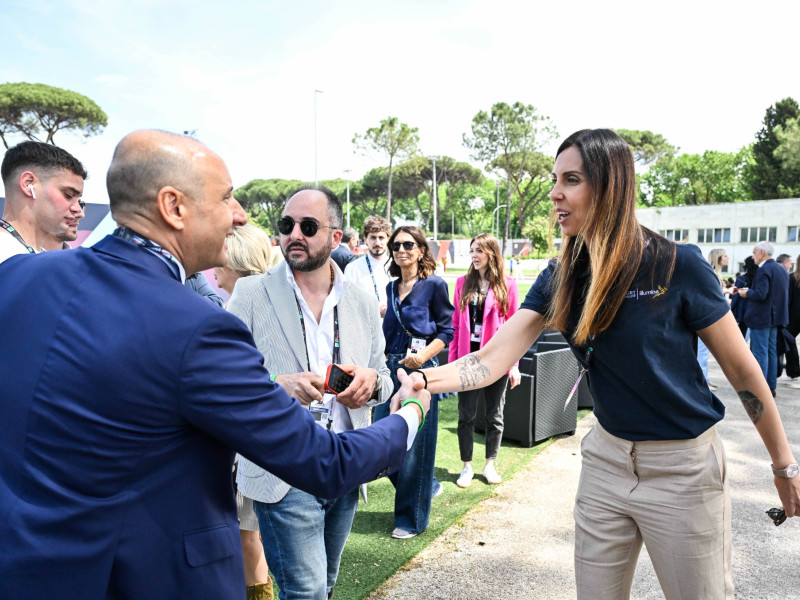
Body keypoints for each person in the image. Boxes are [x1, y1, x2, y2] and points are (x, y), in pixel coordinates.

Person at [0, 130, 430, 600]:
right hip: (144, 579)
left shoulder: (18, 277)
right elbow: (324, 462)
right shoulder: (198, 326)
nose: (240, 215)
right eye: (226, 197)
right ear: (173, 207)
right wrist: (412, 413)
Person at [415, 129, 799, 599]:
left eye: (571, 180)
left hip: (683, 469)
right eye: (556, 179)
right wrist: (421, 379)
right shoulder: (561, 276)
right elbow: (492, 358)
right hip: (606, 462)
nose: (555, 193)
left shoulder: (677, 265)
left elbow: (743, 373)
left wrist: (783, 466)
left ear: (610, 187)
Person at [228, 186, 394, 600]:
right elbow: (224, 382)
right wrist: (277, 387)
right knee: (307, 593)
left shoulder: (361, 301)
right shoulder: (251, 294)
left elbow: (387, 378)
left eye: (307, 226)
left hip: (345, 464)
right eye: (286, 225)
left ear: (336, 237)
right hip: (283, 468)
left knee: (327, 584)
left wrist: (372, 383)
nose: (293, 234)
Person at [373, 225, 454, 539]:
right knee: (382, 444)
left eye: (408, 244)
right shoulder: (392, 288)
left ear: (421, 250)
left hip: (421, 371)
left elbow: (446, 332)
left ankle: (411, 519)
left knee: (416, 448)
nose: (400, 250)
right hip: (391, 368)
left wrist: (421, 360)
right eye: (396, 245)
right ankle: (428, 485)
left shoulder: (434, 285)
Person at [212, 223, 274, 599]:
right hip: (250, 440)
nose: (214, 261)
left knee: (248, 530)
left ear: (236, 260)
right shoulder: (255, 303)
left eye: (222, 253)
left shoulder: (244, 307)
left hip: (248, 441)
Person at [450, 233, 521, 488]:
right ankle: (466, 466)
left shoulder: (508, 284)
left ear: (492, 253)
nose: (474, 255)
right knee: (466, 415)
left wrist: (514, 365)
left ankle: (490, 463)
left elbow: (516, 330)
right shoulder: (462, 283)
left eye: (479, 250)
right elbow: (456, 326)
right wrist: (452, 364)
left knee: (495, 415)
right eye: (472, 250)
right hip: (467, 361)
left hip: (496, 361)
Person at [1, 140, 87, 262]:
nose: (79, 211)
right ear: (28, 184)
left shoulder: (46, 259)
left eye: (79, 201)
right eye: (68, 195)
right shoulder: (5, 252)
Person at [737, 241, 790, 396]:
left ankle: (760, 388)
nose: (753, 257)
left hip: (761, 318)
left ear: (761, 253)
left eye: (754, 253)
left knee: (760, 352)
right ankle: (770, 386)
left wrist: (746, 293)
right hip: (776, 317)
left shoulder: (764, 269)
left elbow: (761, 294)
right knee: (771, 352)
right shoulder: (781, 269)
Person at [343, 215, 393, 319]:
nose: (377, 242)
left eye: (381, 237)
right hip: (365, 330)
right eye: (373, 238)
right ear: (365, 240)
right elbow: (347, 303)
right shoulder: (353, 268)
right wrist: (375, 310)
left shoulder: (398, 266)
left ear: (388, 239)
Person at [213, 224, 272, 300]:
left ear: (235, 260)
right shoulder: (272, 299)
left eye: (217, 256)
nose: (213, 264)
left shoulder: (243, 307)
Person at [697, 248, 729, 389]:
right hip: (707, 317)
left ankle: (705, 378)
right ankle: (703, 380)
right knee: (703, 351)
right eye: (725, 256)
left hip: (709, 316)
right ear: (718, 258)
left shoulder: (715, 274)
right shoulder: (712, 274)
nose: (727, 258)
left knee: (705, 351)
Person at [782, 254, 800, 381]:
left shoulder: (792, 278)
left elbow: (787, 300)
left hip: (794, 315)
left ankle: (793, 371)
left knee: (789, 341)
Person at [730, 256, 757, 338]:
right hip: (754, 310)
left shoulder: (742, 279)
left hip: (742, 310)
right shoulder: (759, 278)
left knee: (741, 334)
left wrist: (731, 309)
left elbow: (735, 296)